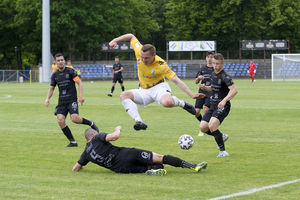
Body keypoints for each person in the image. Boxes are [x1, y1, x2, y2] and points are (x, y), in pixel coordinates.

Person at [109, 33, 205, 131]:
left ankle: (181, 103)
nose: (143, 60)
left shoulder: (161, 64)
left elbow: (176, 80)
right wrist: (115, 40)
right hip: (143, 90)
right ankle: (139, 121)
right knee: (124, 95)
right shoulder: (139, 50)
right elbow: (131, 36)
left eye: (146, 58)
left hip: (159, 87)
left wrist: (191, 95)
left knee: (167, 102)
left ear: (153, 55)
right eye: (142, 57)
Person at [72, 126, 208, 175]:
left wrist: (82, 168)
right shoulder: (98, 137)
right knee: (160, 158)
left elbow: (76, 168)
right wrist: (117, 128)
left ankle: (152, 170)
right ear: (93, 135)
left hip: (120, 169)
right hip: (126, 154)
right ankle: (193, 167)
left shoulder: (85, 154)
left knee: (157, 166)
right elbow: (115, 137)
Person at [44, 53, 99, 147]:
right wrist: (47, 98)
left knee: (75, 119)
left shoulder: (71, 71)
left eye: (62, 60)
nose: (60, 62)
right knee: (60, 120)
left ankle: (91, 123)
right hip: (61, 102)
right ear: (56, 62)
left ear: (64, 61)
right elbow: (51, 88)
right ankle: (72, 142)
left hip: (72, 100)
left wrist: (80, 96)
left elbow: (79, 83)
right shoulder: (54, 75)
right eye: (58, 60)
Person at [199, 53, 238, 157]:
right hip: (213, 104)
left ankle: (223, 151)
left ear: (222, 64)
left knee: (212, 125)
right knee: (203, 127)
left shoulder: (225, 76)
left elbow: (234, 90)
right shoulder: (213, 74)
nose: (216, 66)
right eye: (214, 63)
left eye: (218, 64)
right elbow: (213, 88)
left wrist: (224, 100)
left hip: (223, 106)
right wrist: (205, 88)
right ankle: (221, 136)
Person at [195, 51, 214, 123]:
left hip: (210, 92)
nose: (209, 59)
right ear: (206, 58)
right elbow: (196, 82)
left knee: (206, 109)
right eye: (208, 57)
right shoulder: (202, 69)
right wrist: (198, 78)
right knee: (196, 112)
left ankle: (204, 127)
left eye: (211, 57)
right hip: (201, 91)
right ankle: (203, 124)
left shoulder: (215, 69)